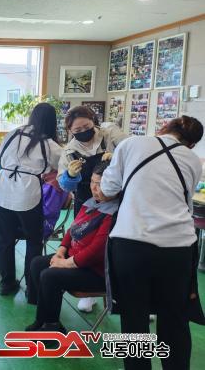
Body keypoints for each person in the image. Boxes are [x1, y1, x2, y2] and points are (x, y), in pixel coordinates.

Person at [101, 116, 205, 370]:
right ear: (191, 144)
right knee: (175, 319)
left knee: (134, 320)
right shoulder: (193, 160)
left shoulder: (131, 144)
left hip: (132, 243)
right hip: (179, 247)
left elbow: (107, 189)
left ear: (163, 127)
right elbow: (183, 198)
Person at [25, 160, 118, 333]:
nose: (94, 188)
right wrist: (61, 251)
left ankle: (52, 327)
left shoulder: (114, 213)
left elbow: (96, 251)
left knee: (50, 275)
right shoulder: (91, 202)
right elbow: (72, 229)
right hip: (75, 259)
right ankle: (43, 319)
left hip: (96, 271)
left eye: (100, 184)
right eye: (92, 182)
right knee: (37, 263)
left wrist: (64, 263)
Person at [58, 106, 128, 312]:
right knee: (88, 245)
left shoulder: (110, 134)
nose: (83, 132)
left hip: (118, 200)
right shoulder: (69, 151)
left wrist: (118, 157)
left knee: (123, 246)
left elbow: (134, 154)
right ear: (70, 131)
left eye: (87, 126)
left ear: (94, 122)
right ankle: (89, 292)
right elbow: (64, 185)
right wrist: (70, 176)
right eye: (77, 130)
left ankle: (131, 295)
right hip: (87, 202)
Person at [0, 102, 63, 298]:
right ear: (52, 122)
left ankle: (6, 284)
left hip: (1, 188)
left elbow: (2, 156)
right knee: (34, 241)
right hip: (26, 193)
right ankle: (32, 289)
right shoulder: (49, 144)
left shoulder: (12, 133)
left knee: (4, 240)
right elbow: (64, 166)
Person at [0, 171, 69, 284]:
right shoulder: (43, 178)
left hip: (41, 224)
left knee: (2, 228)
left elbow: (47, 212)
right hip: (29, 217)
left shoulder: (55, 185)